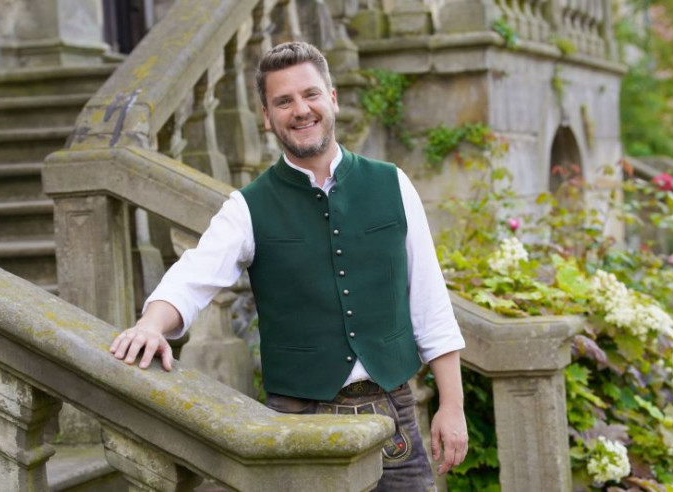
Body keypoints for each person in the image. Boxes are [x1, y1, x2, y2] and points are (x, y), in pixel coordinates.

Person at [110, 41, 468, 490]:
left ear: (332, 98)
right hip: (298, 420)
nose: (301, 110)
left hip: (393, 415)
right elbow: (193, 275)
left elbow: (431, 304)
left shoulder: (392, 183)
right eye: (283, 101)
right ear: (266, 116)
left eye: (310, 94)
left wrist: (451, 405)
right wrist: (150, 325)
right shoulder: (248, 206)